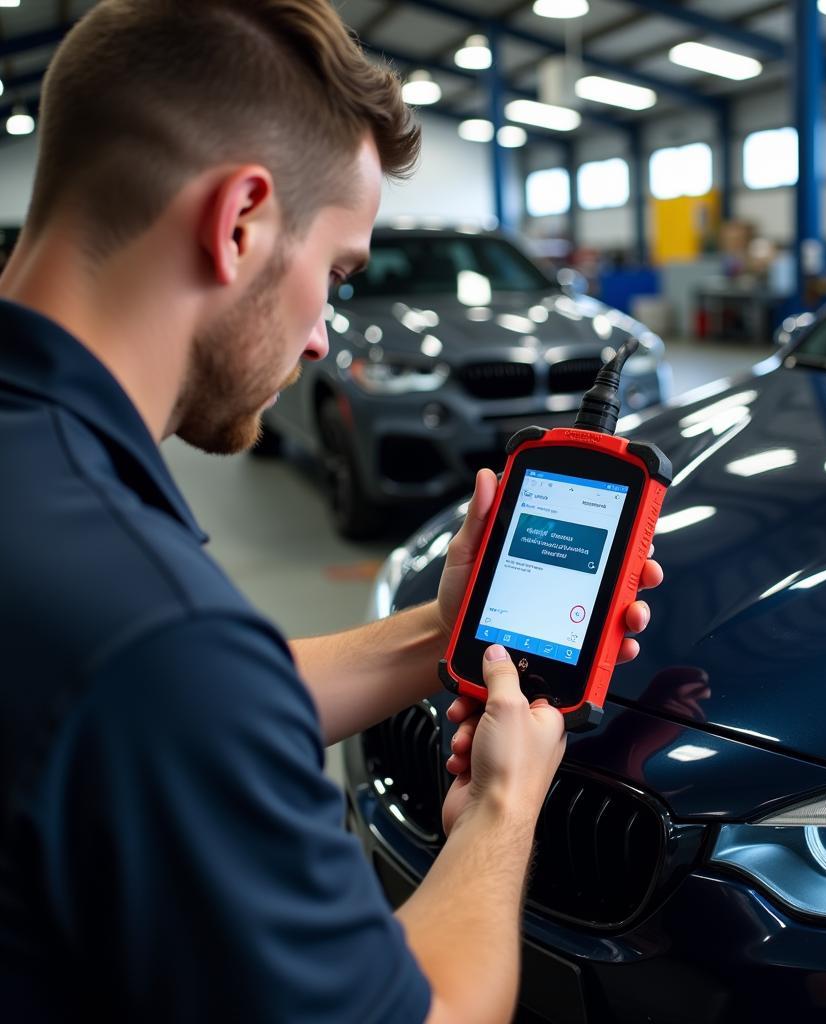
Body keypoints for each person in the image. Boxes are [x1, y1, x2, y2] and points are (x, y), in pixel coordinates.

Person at [0, 2, 664, 1022]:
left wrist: (449, 627)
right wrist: (502, 806)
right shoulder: (151, 637)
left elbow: (191, 707)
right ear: (240, 223)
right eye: (336, 276)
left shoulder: (60, 515)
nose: (319, 338)